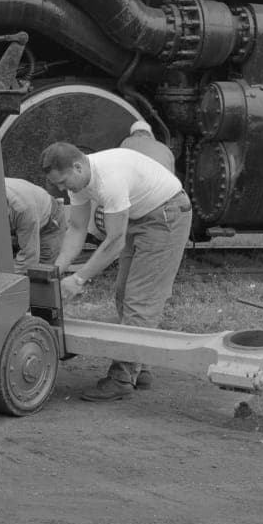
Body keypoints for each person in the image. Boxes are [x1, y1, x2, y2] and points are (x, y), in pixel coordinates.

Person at [40, 143, 193, 402]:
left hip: (167, 216)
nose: (64, 190)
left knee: (140, 300)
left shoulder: (109, 179)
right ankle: (140, 366)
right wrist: (56, 270)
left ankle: (122, 377)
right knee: (123, 293)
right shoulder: (80, 180)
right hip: (141, 216)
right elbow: (77, 228)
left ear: (77, 166)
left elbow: (114, 243)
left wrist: (77, 279)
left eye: (64, 183)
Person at [117, 119, 175, 389]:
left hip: (141, 217)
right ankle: (143, 366)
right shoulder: (165, 150)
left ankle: (131, 370)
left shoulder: (127, 144)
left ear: (133, 135)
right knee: (148, 296)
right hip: (163, 213)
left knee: (132, 293)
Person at [0, 178, 66, 272]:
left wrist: (6, 280)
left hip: (48, 222)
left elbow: (29, 259)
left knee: (43, 272)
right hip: (21, 219)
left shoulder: (23, 209)